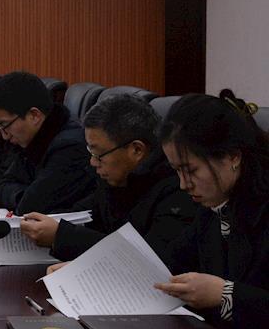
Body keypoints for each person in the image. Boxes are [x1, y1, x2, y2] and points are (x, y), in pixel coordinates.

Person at [152, 90, 269, 329]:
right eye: (176, 171)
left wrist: (225, 294)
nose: (183, 185)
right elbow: (171, 262)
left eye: (191, 170)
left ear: (232, 156)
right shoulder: (215, 207)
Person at [21, 94, 196, 261]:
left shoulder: (177, 187)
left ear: (136, 150)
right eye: (91, 152)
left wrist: (61, 235)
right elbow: (85, 214)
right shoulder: (116, 177)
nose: (93, 162)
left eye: (98, 154)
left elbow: (148, 258)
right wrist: (47, 224)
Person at [0, 71, 95, 214]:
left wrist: (22, 196)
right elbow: (4, 183)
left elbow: (31, 207)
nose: (5, 136)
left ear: (34, 115)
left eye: (6, 125)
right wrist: (23, 195)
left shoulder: (70, 148)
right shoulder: (32, 138)